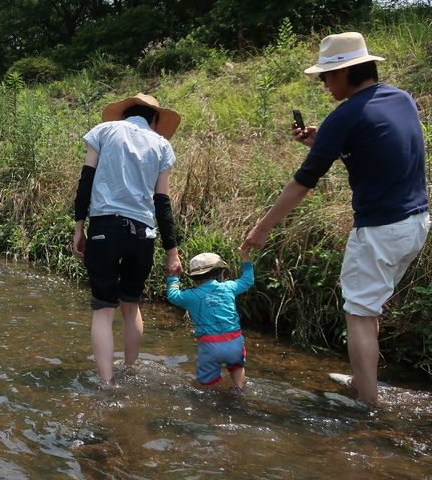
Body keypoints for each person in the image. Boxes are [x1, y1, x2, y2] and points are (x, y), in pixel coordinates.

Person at [243, 32, 429, 404]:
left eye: (326, 76)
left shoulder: (344, 116)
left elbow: (302, 183)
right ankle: (363, 381)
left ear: (344, 72)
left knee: (358, 314)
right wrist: (325, 137)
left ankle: (367, 403)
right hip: (417, 223)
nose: (324, 84)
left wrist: (261, 228)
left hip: (380, 229)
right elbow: (378, 140)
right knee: (368, 306)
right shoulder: (401, 99)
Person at [71, 93, 182, 386]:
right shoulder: (162, 145)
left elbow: (86, 182)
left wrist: (79, 227)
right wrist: (172, 250)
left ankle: (106, 384)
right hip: (144, 233)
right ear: (155, 119)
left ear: (124, 114)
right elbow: (163, 201)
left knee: (104, 310)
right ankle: (131, 372)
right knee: (131, 305)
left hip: (105, 228)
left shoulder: (105, 131)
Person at [167, 248, 254, 392]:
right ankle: (238, 390)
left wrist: (173, 277)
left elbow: (173, 295)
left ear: (194, 278)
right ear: (220, 273)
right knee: (237, 366)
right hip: (235, 341)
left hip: (210, 345)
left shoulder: (189, 295)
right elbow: (247, 280)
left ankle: (208, 404)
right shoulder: (229, 287)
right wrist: (245, 256)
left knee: (206, 385)